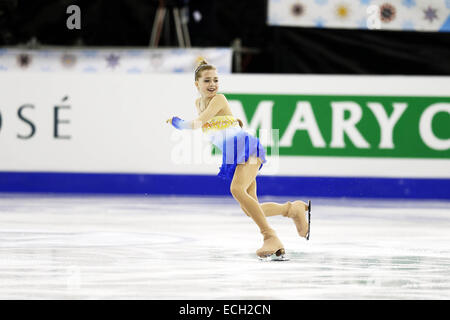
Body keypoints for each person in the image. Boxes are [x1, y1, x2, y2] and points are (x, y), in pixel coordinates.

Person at [166, 58, 310, 259]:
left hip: (247, 149)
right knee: (250, 209)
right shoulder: (198, 103)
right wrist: (232, 123)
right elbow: (215, 123)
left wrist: (178, 123)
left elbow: (199, 123)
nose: (213, 84)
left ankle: (270, 237)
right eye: (207, 80)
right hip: (233, 155)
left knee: (236, 189)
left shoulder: (219, 99)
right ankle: (293, 209)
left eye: (216, 80)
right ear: (196, 84)